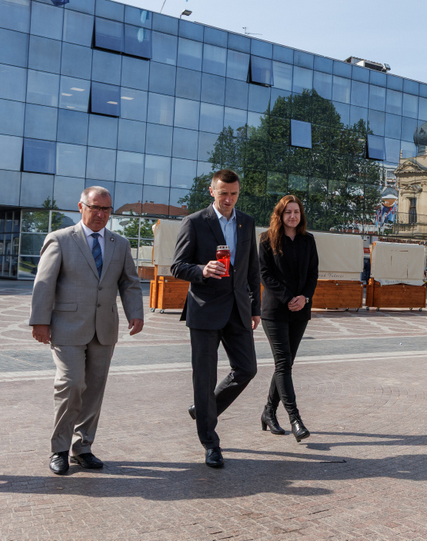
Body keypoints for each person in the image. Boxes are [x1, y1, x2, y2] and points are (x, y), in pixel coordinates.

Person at [29, 186, 144, 475]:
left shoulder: (120, 243)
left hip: (104, 328)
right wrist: (40, 321)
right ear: (81, 207)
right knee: (71, 383)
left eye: (106, 209)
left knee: (94, 389)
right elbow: (44, 283)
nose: (100, 214)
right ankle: (59, 448)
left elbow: (129, 282)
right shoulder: (60, 239)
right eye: (95, 208)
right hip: (66, 326)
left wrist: (135, 313)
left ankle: (82, 447)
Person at [171, 169, 261, 468]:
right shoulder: (195, 222)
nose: (228, 199)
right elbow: (178, 266)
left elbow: (252, 268)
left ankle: (203, 410)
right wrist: (202, 270)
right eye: (223, 193)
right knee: (204, 377)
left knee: (247, 369)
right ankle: (210, 442)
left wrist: (256, 308)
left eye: (233, 194)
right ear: (212, 191)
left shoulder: (246, 222)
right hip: (205, 309)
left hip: (238, 309)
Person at [258, 195, 318, 442]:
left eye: (296, 212)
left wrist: (304, 297)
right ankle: (295, 419)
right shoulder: (266, 239)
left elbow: (313, 273)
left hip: (300, 310)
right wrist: (288, 298)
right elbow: (265, 274)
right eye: (288, 212)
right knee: (283, 363)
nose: (293, 216)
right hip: (275, 311)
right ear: (280, 215)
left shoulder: (308, 240)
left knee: (285, 364)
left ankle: (268, 412)